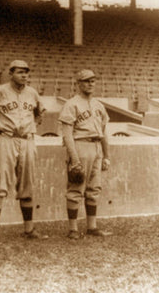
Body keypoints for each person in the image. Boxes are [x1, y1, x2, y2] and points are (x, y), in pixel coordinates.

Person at [0, 60, 47, 244]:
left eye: (26, 72)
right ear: (11, 73)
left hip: (26, 140)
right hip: (6, 138)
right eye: (20, 72)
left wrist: (34, 125)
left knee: (27, 185)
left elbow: (40, 112)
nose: (24, 75)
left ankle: (29, 229)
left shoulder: (32, 93)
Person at [58, 69, 112, 240]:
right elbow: (67, 134)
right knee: (76, 187)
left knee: (94, 188)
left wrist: (106, 156)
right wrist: (74, 159)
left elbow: (104, 133)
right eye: (86, 81)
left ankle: (92, 227)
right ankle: (73, 229)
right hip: (80, 146)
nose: (90, 84)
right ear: (78, 84)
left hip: (96, 147)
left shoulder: (99, 105)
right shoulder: (71, 104)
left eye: (93, 81)